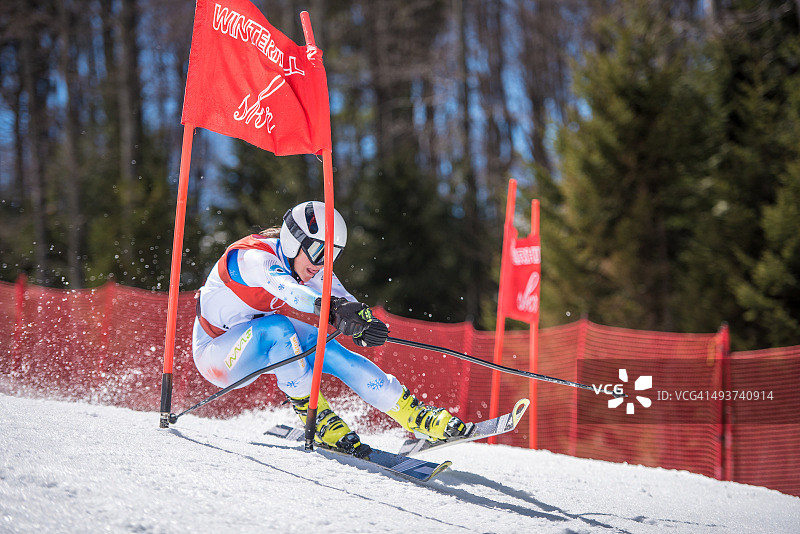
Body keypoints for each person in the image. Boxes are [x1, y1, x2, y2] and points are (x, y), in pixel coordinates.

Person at [193, 200, 466, 457]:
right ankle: (316, 417)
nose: (322, 262)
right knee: (278, 328)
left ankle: (413, 414)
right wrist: (332, 309)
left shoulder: (308, 264)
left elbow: (343, 299)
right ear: (293, 242)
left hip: (258, 342)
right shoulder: (253, 257)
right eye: (318, 251)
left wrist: (363, 321)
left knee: (326, 346)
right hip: (217, 356)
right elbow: (290, 291)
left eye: (332, 254)